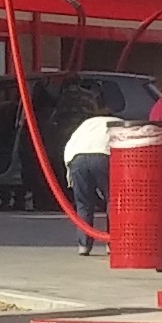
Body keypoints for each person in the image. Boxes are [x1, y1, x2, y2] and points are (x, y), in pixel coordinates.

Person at [60, 101, 120, 253]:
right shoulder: (118, 123)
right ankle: (112, 243)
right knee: (112, 200)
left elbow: (70, 144)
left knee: (84, 203)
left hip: (77, 158)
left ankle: (84, 245)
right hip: (104, 155)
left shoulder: (85, 124)